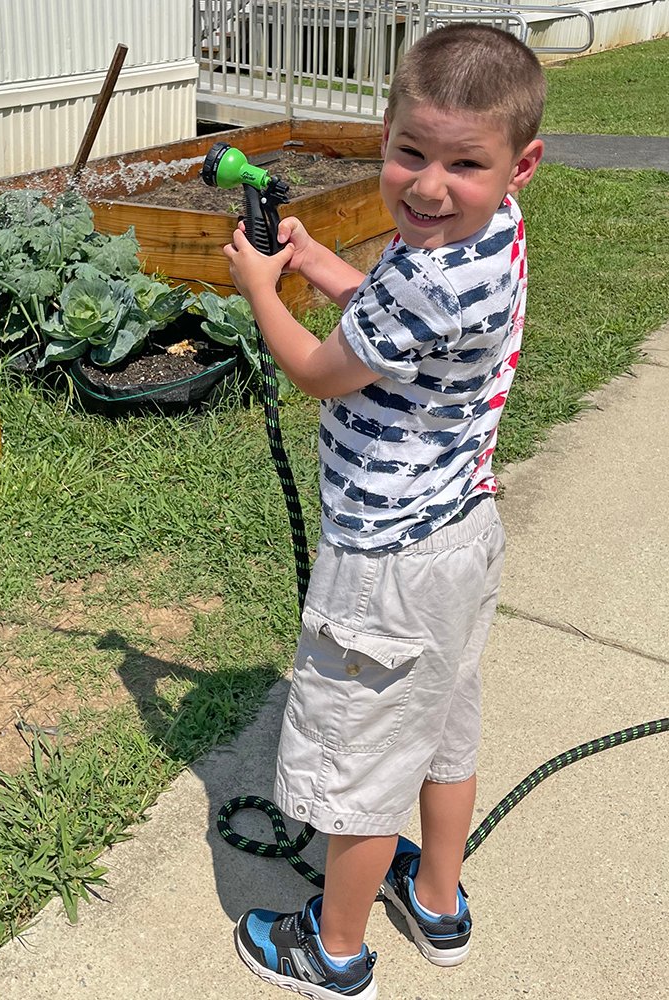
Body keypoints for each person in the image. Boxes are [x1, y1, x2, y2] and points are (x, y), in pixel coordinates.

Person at [221, 23, 546, 1000]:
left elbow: (323, 368)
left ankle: (334, 949)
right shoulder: (485, 241)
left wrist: (258, 290)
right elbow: (381, 319)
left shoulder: (425, 269)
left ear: (519, 163)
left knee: (358, 767)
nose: (429, 185)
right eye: (411, 152)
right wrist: (316, 260)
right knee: (443, 726)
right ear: (385, 139)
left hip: (383, 565)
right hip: (459, 537)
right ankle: (437, 901)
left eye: (463, 163)